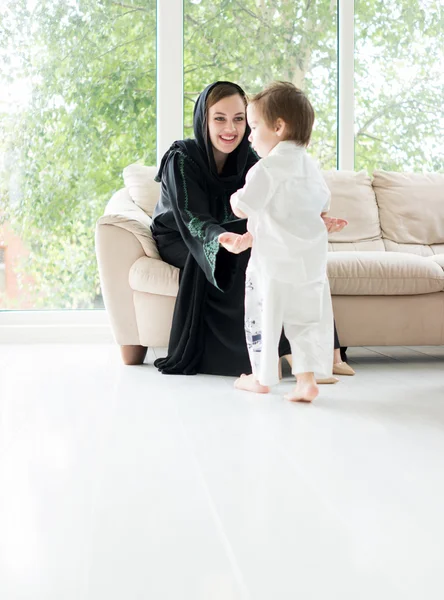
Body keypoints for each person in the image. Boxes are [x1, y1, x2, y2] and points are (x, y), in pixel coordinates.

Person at [150, 81, 352, 378]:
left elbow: (281, 200)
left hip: (235, 229)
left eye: (239, 119)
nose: (230, 128)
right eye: (219, 118)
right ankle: (286, 354)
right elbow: (191, 217)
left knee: (291, 252)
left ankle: (326, 354)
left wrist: (309, 219)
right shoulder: (182, 158)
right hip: (183, 236)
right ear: (203, 120)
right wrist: (219, 238)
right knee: (253, 255)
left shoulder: (254, 157)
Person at [220, 81, 342, 401]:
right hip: (309, 264)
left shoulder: (268, 167)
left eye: (254, 126)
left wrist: (234, 199)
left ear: (278, 127)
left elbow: (245, 204)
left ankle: (263, 376)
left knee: (263, 316)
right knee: (303, 321)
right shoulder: (310, 165)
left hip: (273, 264)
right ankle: (306, 381)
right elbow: (318, 206)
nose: (249, 135)